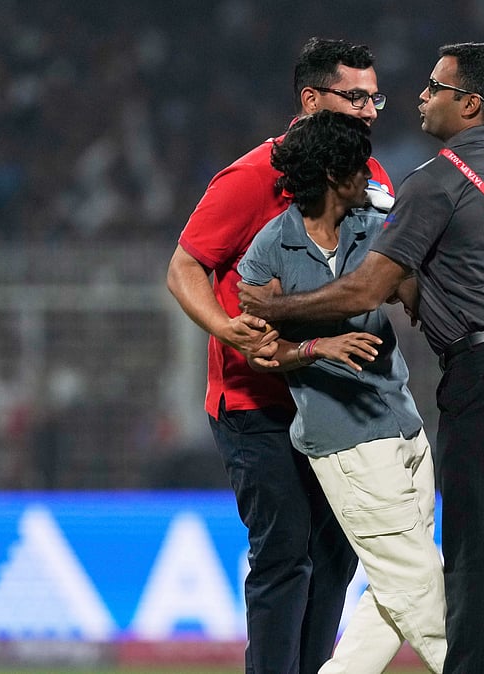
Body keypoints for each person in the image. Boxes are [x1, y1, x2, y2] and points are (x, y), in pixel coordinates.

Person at [237, 43, 484, 674]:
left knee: (471, 559)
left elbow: (369, 289)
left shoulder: (433, 184)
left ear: (468, 103)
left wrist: (277, 310)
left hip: (483, 378)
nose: (421, 97)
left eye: (435, 87)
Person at [165, 38, 392, 674]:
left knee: (336, 557)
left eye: (376, 96)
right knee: (285, 553)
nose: (371, 109)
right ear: (311, 100)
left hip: (336, 404)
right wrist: (226, 328)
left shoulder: (370, 180)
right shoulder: (251, 178)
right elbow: (185, 266)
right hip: (256, 404)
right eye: (356, 96)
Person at [236, 110, 445, 674]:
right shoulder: (269, 252)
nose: (370, 176)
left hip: (404, 425)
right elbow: (258, 351)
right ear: (333, 173)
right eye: (358, 167)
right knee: (421, 584)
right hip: (345, 440)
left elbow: (422, 302)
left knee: (396, 590)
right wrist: (314, 350)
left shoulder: (373, 228)